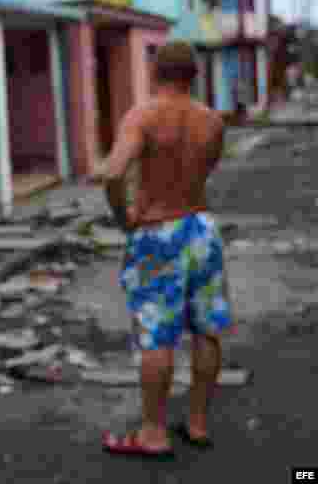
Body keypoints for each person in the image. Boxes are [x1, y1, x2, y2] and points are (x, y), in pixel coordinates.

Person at [91, 41, 231, 459]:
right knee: (206, 328)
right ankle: (198, 423)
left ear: (155, 72)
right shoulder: (213, 121)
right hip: (201, 227)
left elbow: (113, 172)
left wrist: (125, 216)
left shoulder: (143, 115)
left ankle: (153, 432)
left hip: (158, 231)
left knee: (157, 334)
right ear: (195, 75)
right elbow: (205, 171)